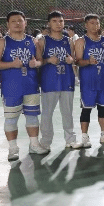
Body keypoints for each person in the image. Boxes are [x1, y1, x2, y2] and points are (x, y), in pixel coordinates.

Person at [0, 10, 49, 160]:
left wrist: (37, 63)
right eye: (13, 21)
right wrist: (12, 64)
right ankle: (13, 148)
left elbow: (41, 60)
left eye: (20, 20)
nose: (17, 23)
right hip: (11, 87)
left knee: (32, 117)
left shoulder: (33, 41)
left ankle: (34, 144)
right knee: (11, 119)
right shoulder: (2, 42)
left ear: (25, 23)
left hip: (31, 85)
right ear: (8, 24)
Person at [36, 11, 79, 149]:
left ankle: (70, 139)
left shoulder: (69, 40)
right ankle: (46, 142)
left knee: (68, 112)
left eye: (60, 21)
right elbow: (38, 61)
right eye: (54, 21)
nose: (58, 24)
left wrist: (71, 60)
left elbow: (74, 59)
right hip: (49, 82)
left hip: (66, 80)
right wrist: (48, 60)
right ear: (49, 23)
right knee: (47, 113)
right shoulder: (43, 41)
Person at [75, 14, 104, 146]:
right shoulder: (81, 41)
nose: (95, 26)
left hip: (103, 80)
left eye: (97, 23)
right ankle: (84, 137)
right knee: (86, 109)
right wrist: (88, 61)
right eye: (92, 23)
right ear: (86, 25)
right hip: (88, 81)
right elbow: (78, 61)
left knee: (103, 109)